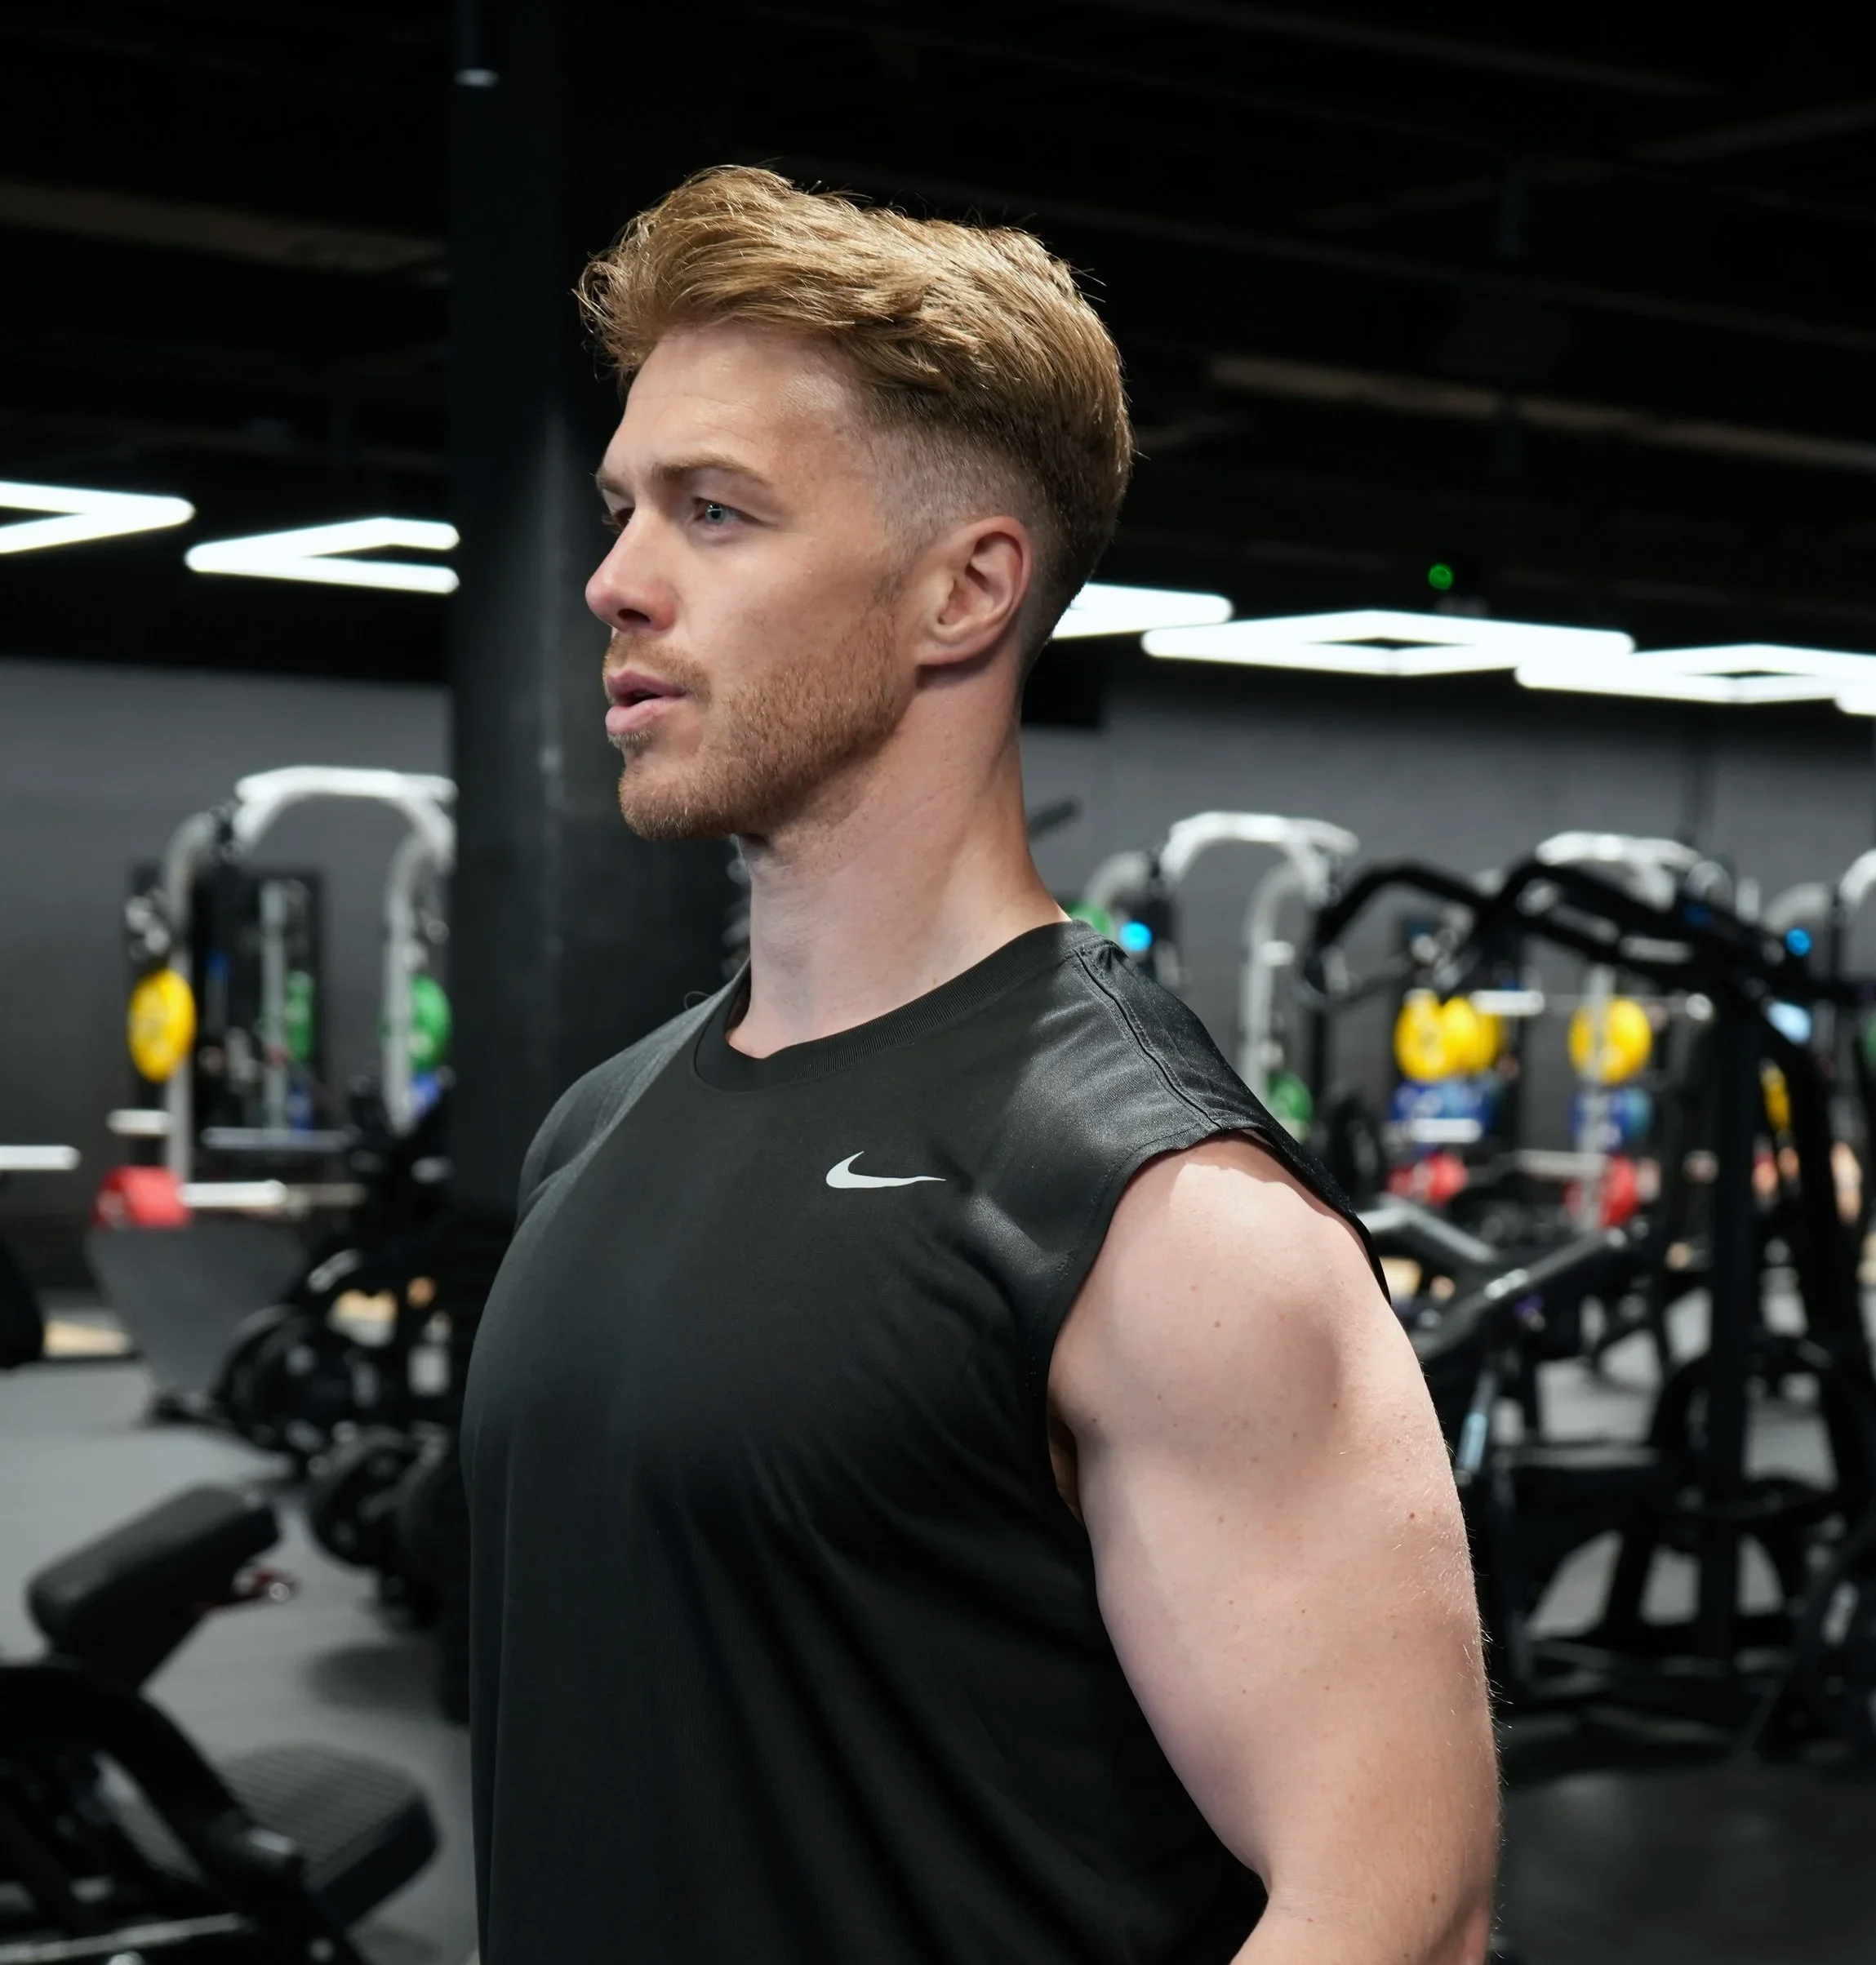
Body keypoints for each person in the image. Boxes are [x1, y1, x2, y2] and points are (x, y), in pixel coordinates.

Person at [461, 166, 1496, 1964]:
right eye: (627, 508)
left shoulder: (1161, 1217)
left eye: (715, 513)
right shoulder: (598, 1125)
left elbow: (1396, 1909)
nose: (613, 580)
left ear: (964, 592)